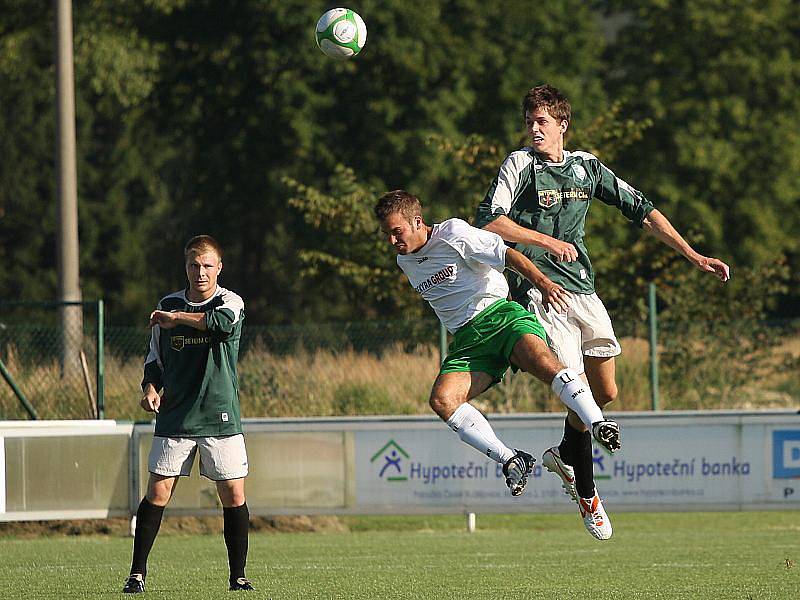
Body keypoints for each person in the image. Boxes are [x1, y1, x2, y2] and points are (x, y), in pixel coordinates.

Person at [475, 84, 730, 539]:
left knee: (606, 392)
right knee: (580, 394)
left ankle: (562, 455)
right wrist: (547, 243)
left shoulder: (586, 167)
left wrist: (693, 255)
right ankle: (588, 493)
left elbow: (644, 210)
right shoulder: (519, 165)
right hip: (541, 291)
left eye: (542, 122)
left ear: (562, 125)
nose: (533, 128)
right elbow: (490, 221)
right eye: (529, 121)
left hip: (584, 292)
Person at [374, 190, 621, 529]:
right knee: (443, 401)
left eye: (396, 231)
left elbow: (507, 255)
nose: (391, 240)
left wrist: (545, 284)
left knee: (549, 367)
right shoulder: (405, 259)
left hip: (501, 317)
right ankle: (512, 460)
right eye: (386, 233)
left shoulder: (454, 233)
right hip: (468, 341)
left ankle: (597, 423)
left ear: (418, 222)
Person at [122, 235, 254, 593]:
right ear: (186, 267)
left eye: (208, 265)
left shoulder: (230, 302)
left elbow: (218, 324)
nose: (201, 272)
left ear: (219, 268)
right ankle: (136, 574)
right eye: (194, 265)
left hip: (219, 414)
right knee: (158, 492)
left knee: (233, 495)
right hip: (177, 416)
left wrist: (177, 318)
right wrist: (150, 390)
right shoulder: (167, 305)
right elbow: (155, 361)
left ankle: (238, 577)